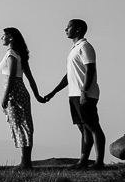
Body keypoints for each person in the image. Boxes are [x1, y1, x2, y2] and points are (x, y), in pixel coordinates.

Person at [38, 19, 106, 169]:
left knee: (93, 126)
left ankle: (99, 162)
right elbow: (69, 76)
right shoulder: (74, 49)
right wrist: (53, 92)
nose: (65, 29)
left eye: (68, 27)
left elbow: (90, 69)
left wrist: (84, 91)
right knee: (83, 128)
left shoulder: (85, 46)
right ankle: (83, 161)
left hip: (86, 93)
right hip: (74, 93)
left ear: (78, 29)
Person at [0, 27, 43, 169]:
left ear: (11, 38)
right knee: (24, 124)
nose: (2, 38)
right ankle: (26, 161)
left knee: (20, 124)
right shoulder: (19, 55)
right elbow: (30, 78)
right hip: (20, 90)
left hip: (14, 91)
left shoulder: (11, 53)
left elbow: (12, 75)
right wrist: (37, 95)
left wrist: (6, 95)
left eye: (4, 35)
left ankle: (25, 162)